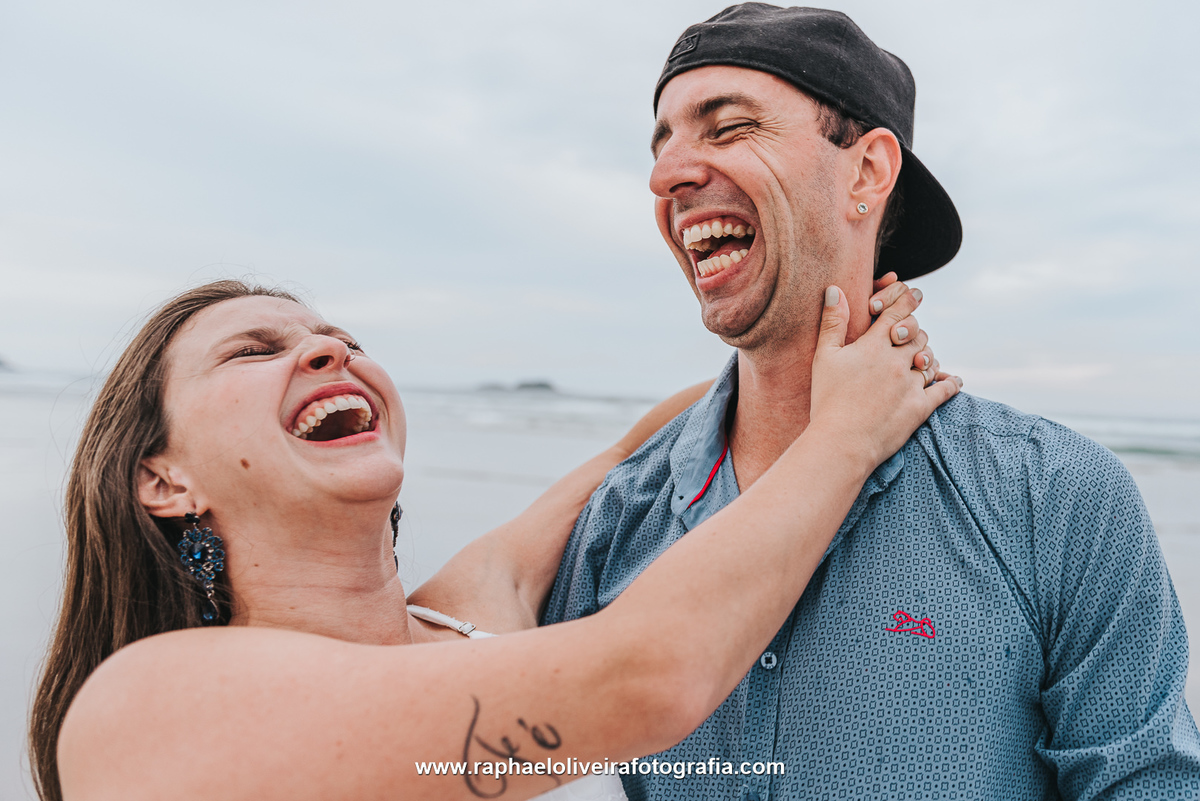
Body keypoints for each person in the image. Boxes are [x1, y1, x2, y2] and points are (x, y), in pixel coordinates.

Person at [525, 5, 1200, 800]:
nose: (666, 173)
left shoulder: (1053, 499)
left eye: (728, 127)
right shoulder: (616, 516)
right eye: (662, 141)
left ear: (869, 173)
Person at [30, 277, 953, 801]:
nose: (329, 352)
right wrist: (846, 435)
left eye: (338, 337)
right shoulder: (144, 708)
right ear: (163, 478)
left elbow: (623, 452)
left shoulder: (473, 614)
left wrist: (818, 333)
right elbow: (653, 672)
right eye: (252, 350)